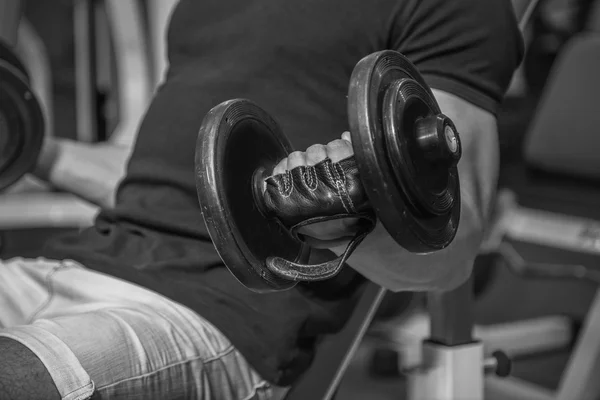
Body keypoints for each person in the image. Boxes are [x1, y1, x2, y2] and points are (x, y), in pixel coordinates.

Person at [0, 0, 523, 399]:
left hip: (214, 314)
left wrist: (322, 217)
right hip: (77, 263)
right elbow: (158, 172)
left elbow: (451, 247)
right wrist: (29, 147)